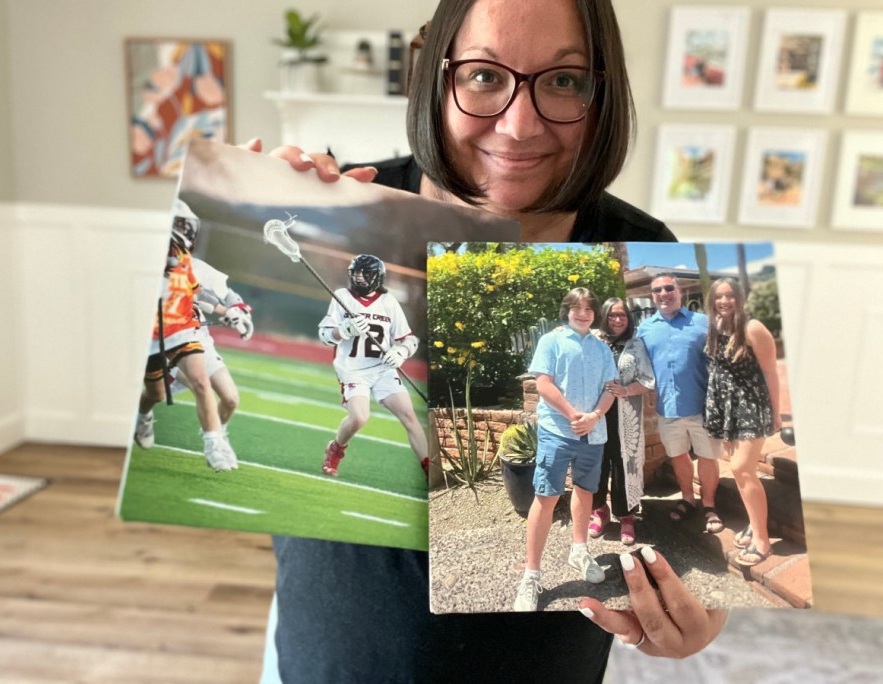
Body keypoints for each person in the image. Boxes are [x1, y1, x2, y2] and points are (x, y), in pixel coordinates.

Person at [256, 0, 727, 677]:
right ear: (435, 76)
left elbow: (692, 548)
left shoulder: (644, 252)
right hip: (322, 657)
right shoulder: (339, 212)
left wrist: (697, 613)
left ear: (604, 93)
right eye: (483, 76)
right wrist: (244, 193)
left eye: (563, 80)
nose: (518, 123)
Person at [514, 287, 617, 612]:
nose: (583, 313)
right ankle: (531, 575)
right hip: (558, 432)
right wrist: (573, 415)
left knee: (586, 491)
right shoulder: (552, 341)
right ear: (566, 310)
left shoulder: (602, 349)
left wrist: (595, 416)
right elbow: (543, 383)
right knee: (546, 497)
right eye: (576, 308)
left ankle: (579, 550)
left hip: (593, 434)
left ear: (594, 313)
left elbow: (610, 388)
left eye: (588, 308)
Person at [133, 200, 238, 472]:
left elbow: (197, 293)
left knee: (201, 383)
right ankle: (142, 415)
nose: (184, 232)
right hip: (151, 333)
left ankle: (214, 445)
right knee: (155, 393)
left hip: (181, 328)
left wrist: (225, 311)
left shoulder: (183, 259)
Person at [318, 254, 428, 476]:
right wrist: (344, 330)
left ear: (376, 278)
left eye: (364, 274)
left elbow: (409, 339)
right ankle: (336, 449)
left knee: (409, 415)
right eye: (355, 273)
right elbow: (324, 334)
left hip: (383, 369)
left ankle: (429, 469)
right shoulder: (342, 297)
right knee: (359, 417)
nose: (358, 278)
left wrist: (400, 352)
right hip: (353, 370)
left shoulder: (388, 302)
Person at [636, 272, 723, 534]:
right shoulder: (645, 329)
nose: (664, 294)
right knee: (678, 456)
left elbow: (725, 356)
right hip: (667, 409)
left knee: (708, 456)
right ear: (652, 296)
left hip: (702, 406)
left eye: (669, 288)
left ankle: (709, 505)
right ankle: (687, 498)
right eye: (658, 290)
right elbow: (624, 352)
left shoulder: (703, 323)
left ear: (679, 291)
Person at [704, 277, 781, 567]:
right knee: (741, 473)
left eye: (729, 296)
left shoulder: (753, 328)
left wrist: (776, 413)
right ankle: (754, 523)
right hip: (728, 409)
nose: (724, 302)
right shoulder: (717, 327)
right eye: (718, 297)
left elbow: (771, 373)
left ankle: (763, 541)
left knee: (741, 468)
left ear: (740, 297)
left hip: (751, 404)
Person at [590, 297, 655, 546]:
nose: (617, 320)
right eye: (612, 315)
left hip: (625, 416)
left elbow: (649, 380)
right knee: (596, 464)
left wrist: (625, 391)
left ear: (629, 318)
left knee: (623, 466)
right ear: (604, 316)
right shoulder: (593, 340)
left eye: (622, 315)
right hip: (596, 415)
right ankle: (600, 511)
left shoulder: (636, 344)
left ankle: (626, 515)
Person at [168, 256, 254, 434]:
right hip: (165, 339)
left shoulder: (195, 265)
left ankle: (216, 436)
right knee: (159, 393)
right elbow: (196, 293)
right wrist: (224, 311)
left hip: (198, 338)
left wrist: (239, 309)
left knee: (230, 399)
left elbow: (227, 293)